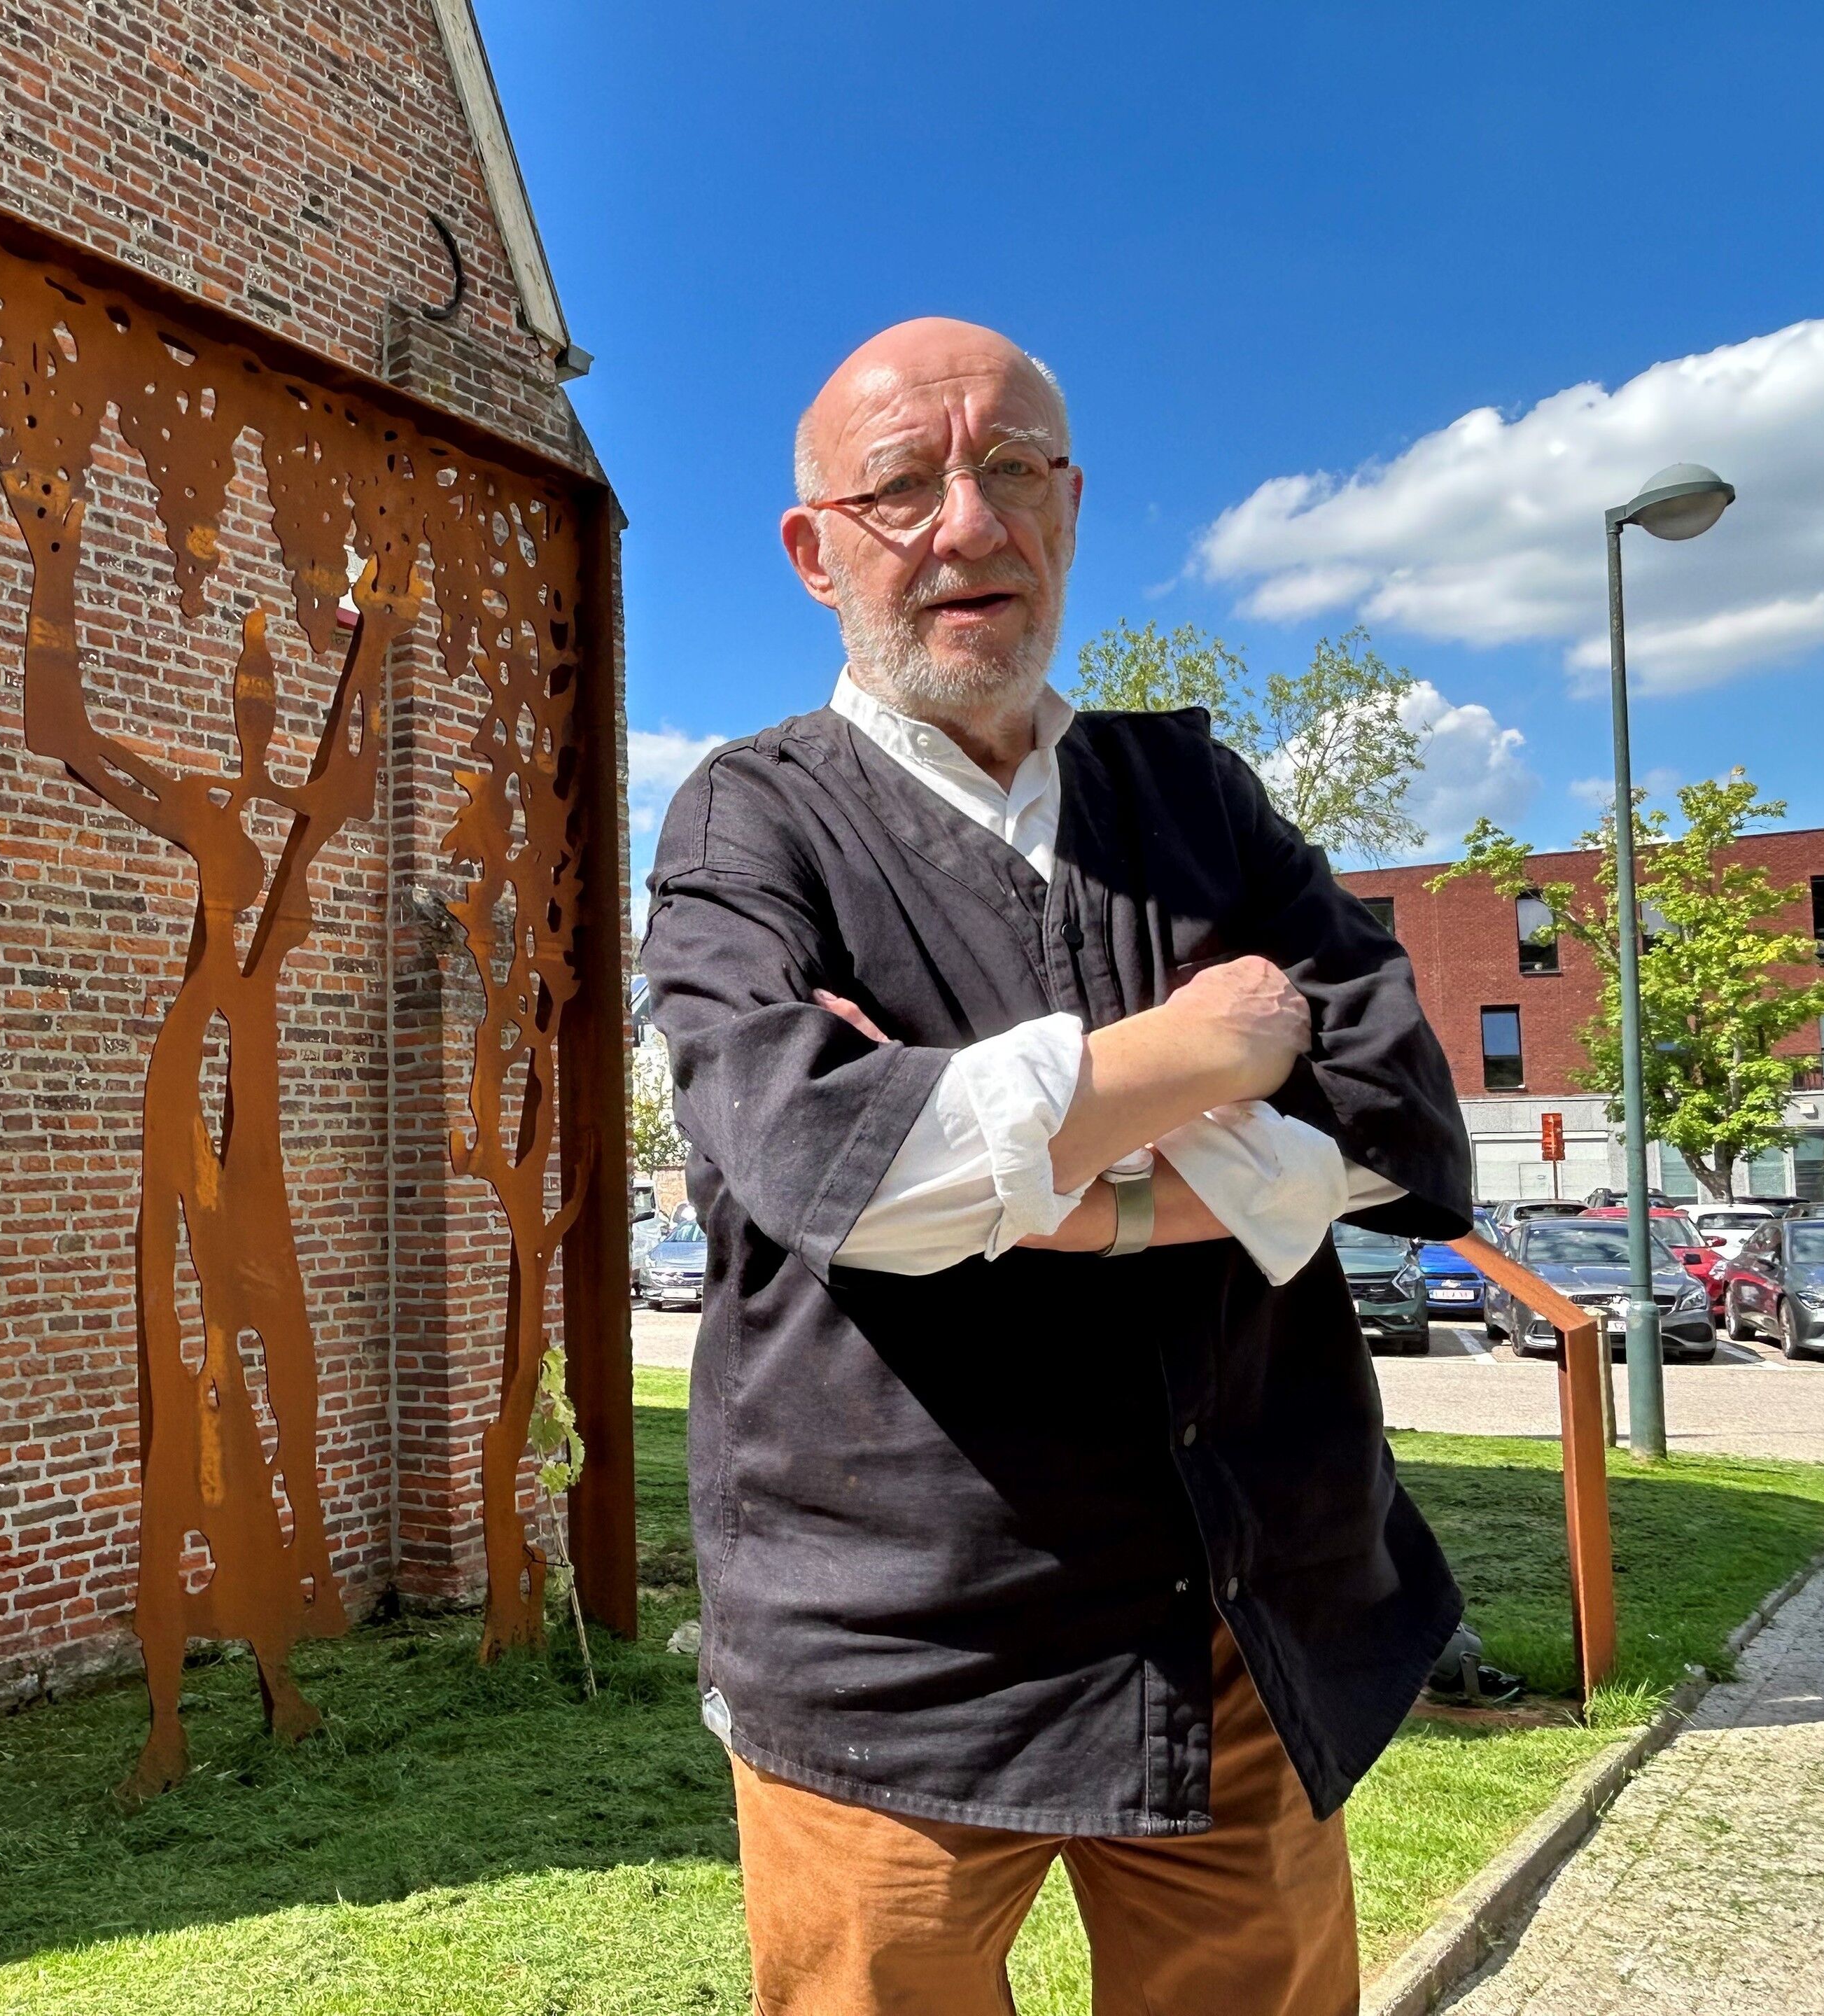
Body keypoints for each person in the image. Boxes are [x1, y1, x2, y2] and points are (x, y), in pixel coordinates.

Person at [639, 318, 1473, 2016]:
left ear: (1072, 508)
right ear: (813, 551)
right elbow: (829, 1165)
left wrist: (1032, 1172)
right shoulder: (751, 822)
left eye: (1014, 468)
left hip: (1235, 1630)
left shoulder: (1196, 796)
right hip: (894, 1660)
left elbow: (1400, 1112)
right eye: (902, 487)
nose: (971, 523)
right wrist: (1214, 1045)